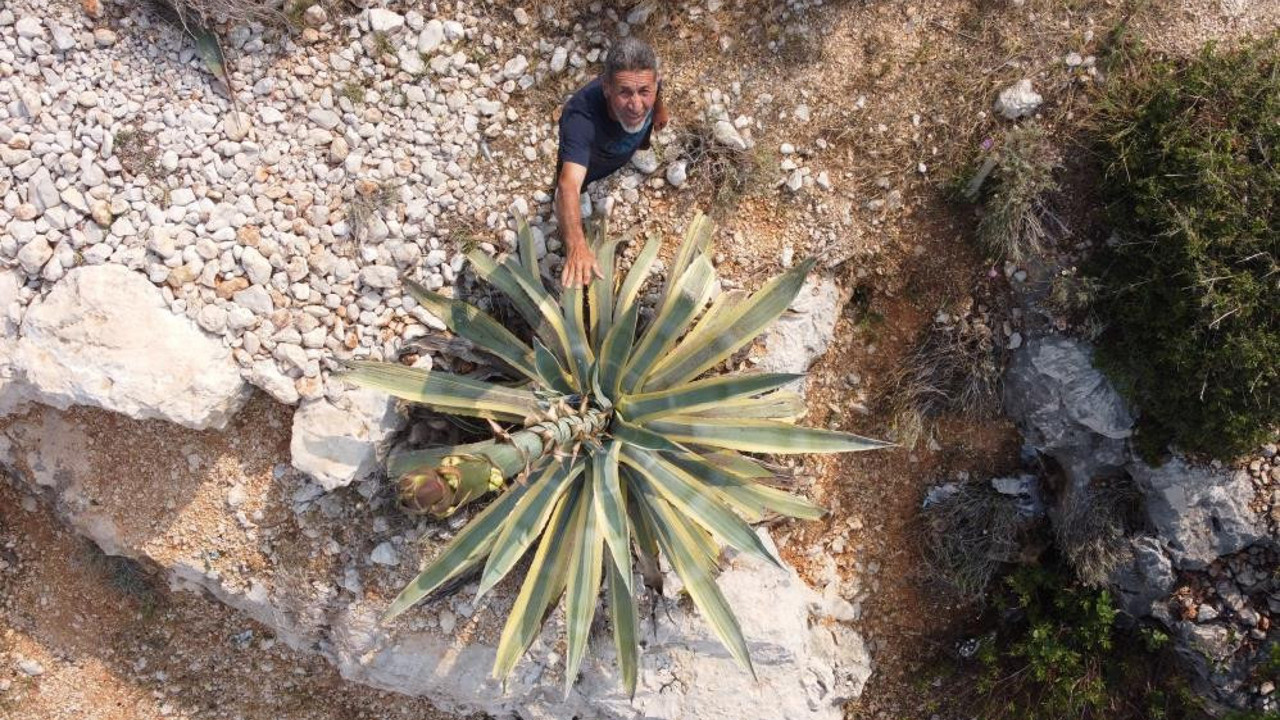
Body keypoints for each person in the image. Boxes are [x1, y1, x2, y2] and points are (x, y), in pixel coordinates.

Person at [555, 36, 669, 288]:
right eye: (624, 93)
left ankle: (636, 148)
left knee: (639, 133)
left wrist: (659, 109)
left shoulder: (646, 81)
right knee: (578, 185)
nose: (636, 106)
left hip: (623, 149)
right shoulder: (580, 118)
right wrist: (576, 246)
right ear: (607, 87)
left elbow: (657, 88)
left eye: (644, 92)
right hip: (594, 161)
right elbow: (568, 184)